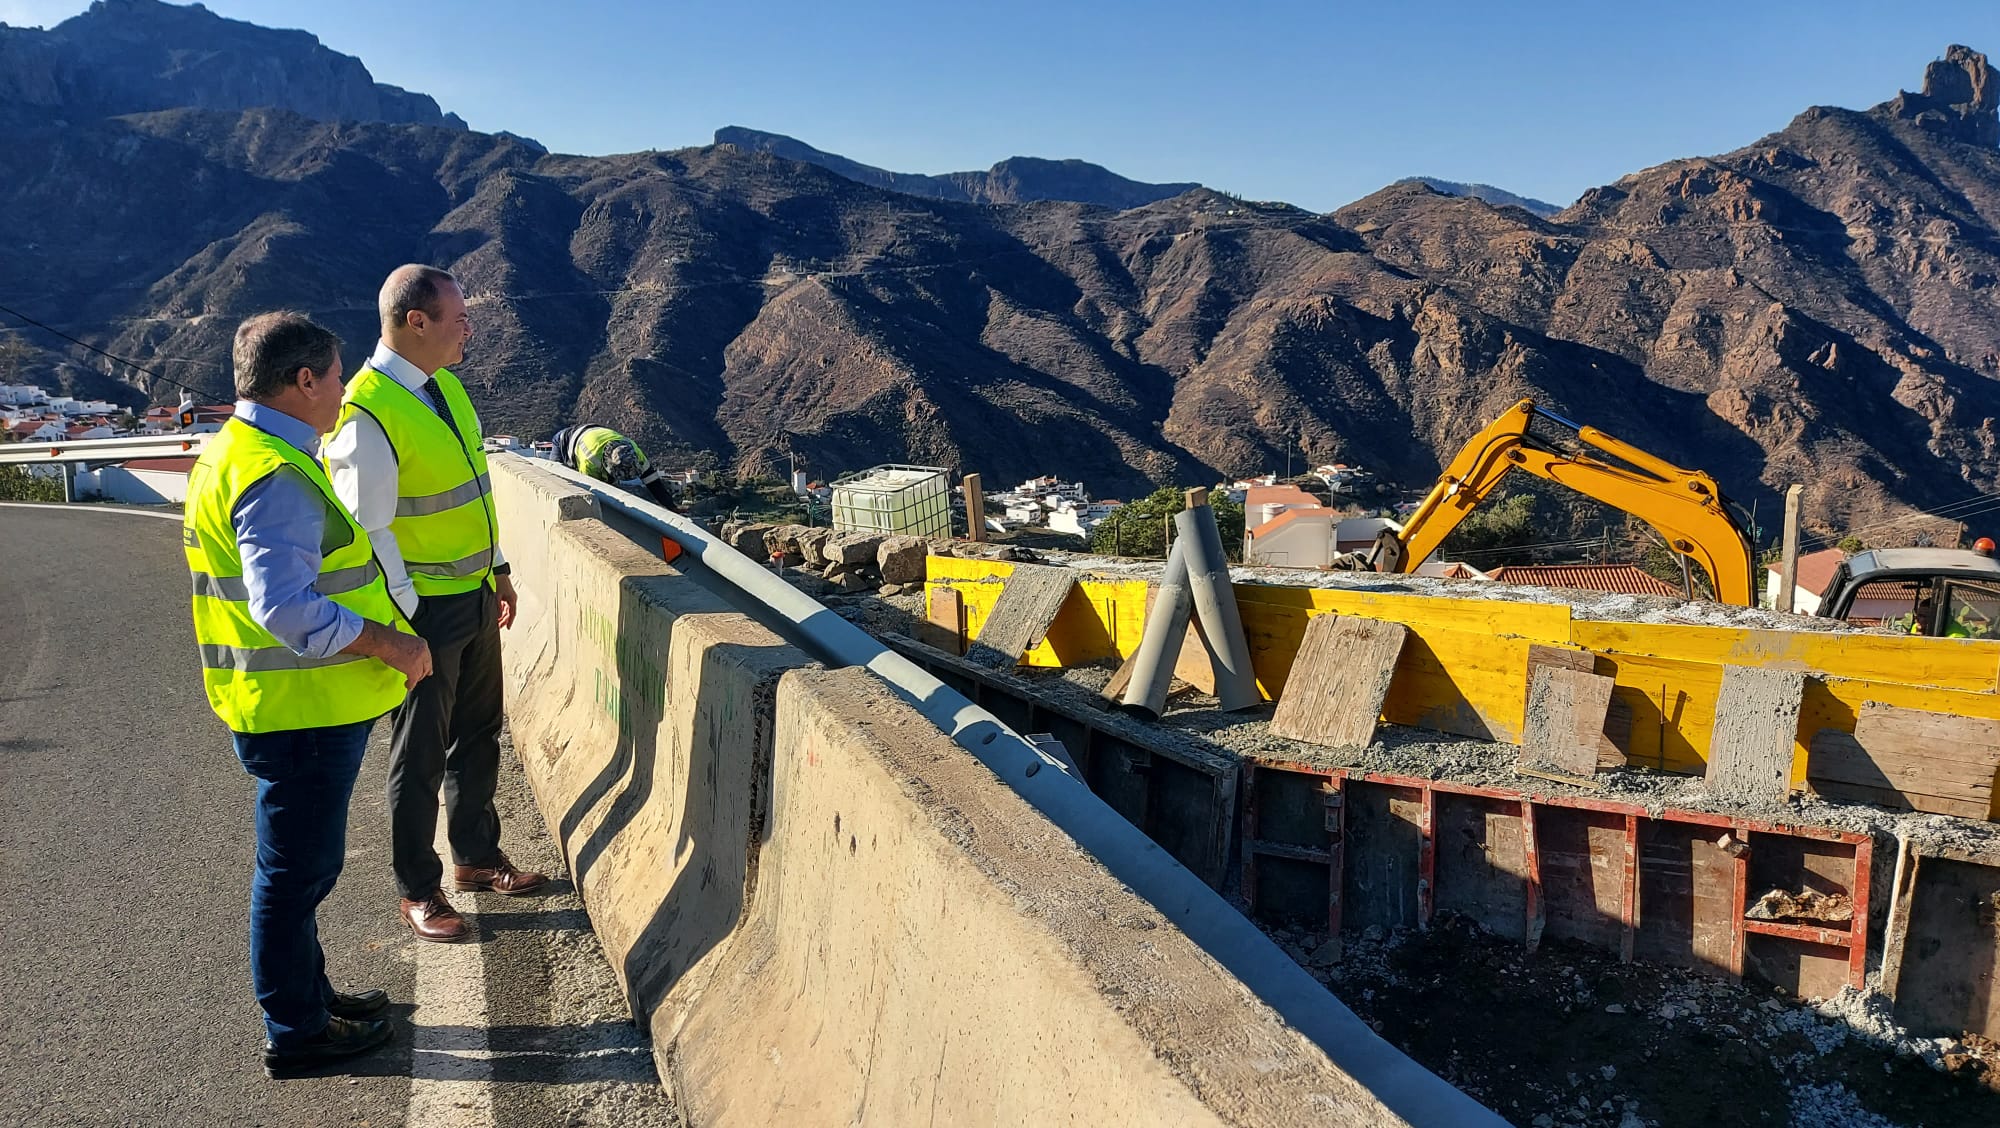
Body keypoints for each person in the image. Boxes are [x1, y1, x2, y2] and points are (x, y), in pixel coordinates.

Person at [184, 311, 433, 1076]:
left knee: (300, 871)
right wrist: (391, 642)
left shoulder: (240, 450)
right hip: (304, 715)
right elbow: (288, 608)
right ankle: (297, 1032)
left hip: (286, 708)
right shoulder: (273, 473)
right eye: (333, 376)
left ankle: (311, 997)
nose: (341, 390)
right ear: (302, 382)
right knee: (295, 875)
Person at [325, 264, 546, 945]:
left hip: (474, 593)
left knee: (479, 733)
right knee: (419, 753)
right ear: (414, 322)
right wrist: (407, 617)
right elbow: (370, 531)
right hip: (426, 610)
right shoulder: (365, 412)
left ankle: (476, 857)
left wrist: (499, 570)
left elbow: (473, 489)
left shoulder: (445, 387)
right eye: (456, 317)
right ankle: (417, 889)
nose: (468, 327)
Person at [550, 423, 677, 507]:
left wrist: (670, 506)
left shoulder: (634, 452)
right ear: (607, 465)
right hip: (564, 441)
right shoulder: (590, 461)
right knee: (558, 483)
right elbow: (591, 493)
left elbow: (652, 480)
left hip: (593, 433)